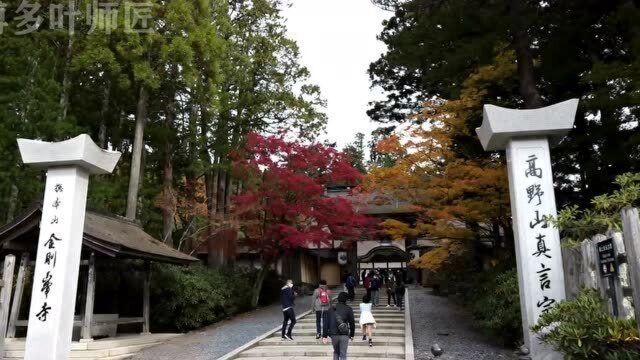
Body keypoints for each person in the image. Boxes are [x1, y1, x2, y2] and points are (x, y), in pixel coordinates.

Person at [322, 292, 355, 360]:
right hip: (344, 334)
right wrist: (352, 334)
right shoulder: (348, 309)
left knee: (336, 352)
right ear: (346, 299)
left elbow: (326, 323)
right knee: (343, 354)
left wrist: (324, 336)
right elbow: (352, 323)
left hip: (333, 334)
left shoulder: (331, 309)